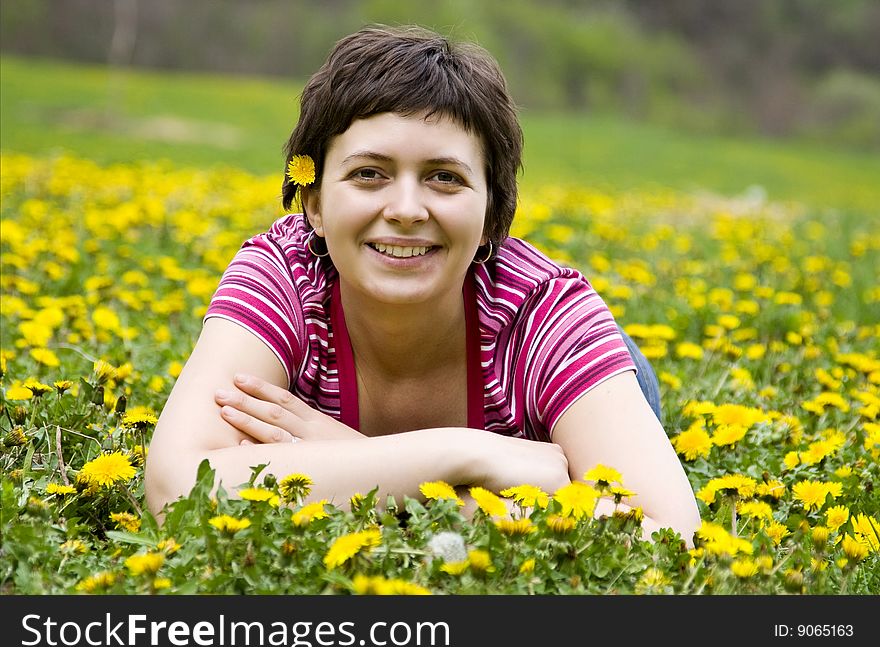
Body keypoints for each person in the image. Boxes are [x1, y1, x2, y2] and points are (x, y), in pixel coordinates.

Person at [144, 25, 700, 546]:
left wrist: (353, 466)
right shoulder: (282, 272)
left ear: (492, 214)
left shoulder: (548, 313)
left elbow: (669, 538)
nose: (406, 210)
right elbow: (177, 490)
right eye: (369, 174)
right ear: (312, 201)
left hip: (587, 380)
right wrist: (466, 455)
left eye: (444, 177)